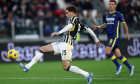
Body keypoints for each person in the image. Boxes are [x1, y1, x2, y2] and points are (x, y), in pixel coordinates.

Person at [20, 5, 100, 84]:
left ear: (72, 12)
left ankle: (87, 74)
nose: (66, 15)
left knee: (66, 67)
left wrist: (58, 32)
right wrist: (96, 40)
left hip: (67, 45)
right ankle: (27, 66)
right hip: (62, 43)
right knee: (42, 49)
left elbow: (70, 26)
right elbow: (89, 29)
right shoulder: (79, 23)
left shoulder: (75, 19)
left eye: (67, 13)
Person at [93, 0, 134, 76]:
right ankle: (130, 67)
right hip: (109, 37)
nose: (111, 5)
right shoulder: (107, 15)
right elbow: (106, 25)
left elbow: (124, 24)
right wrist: (98, 27)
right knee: (118, 54)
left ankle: (118, 65)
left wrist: (127, 33)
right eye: (110, 4)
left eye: (112, 4)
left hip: (115, 36)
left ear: (115, 6)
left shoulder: (118, 14)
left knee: (107, 51)